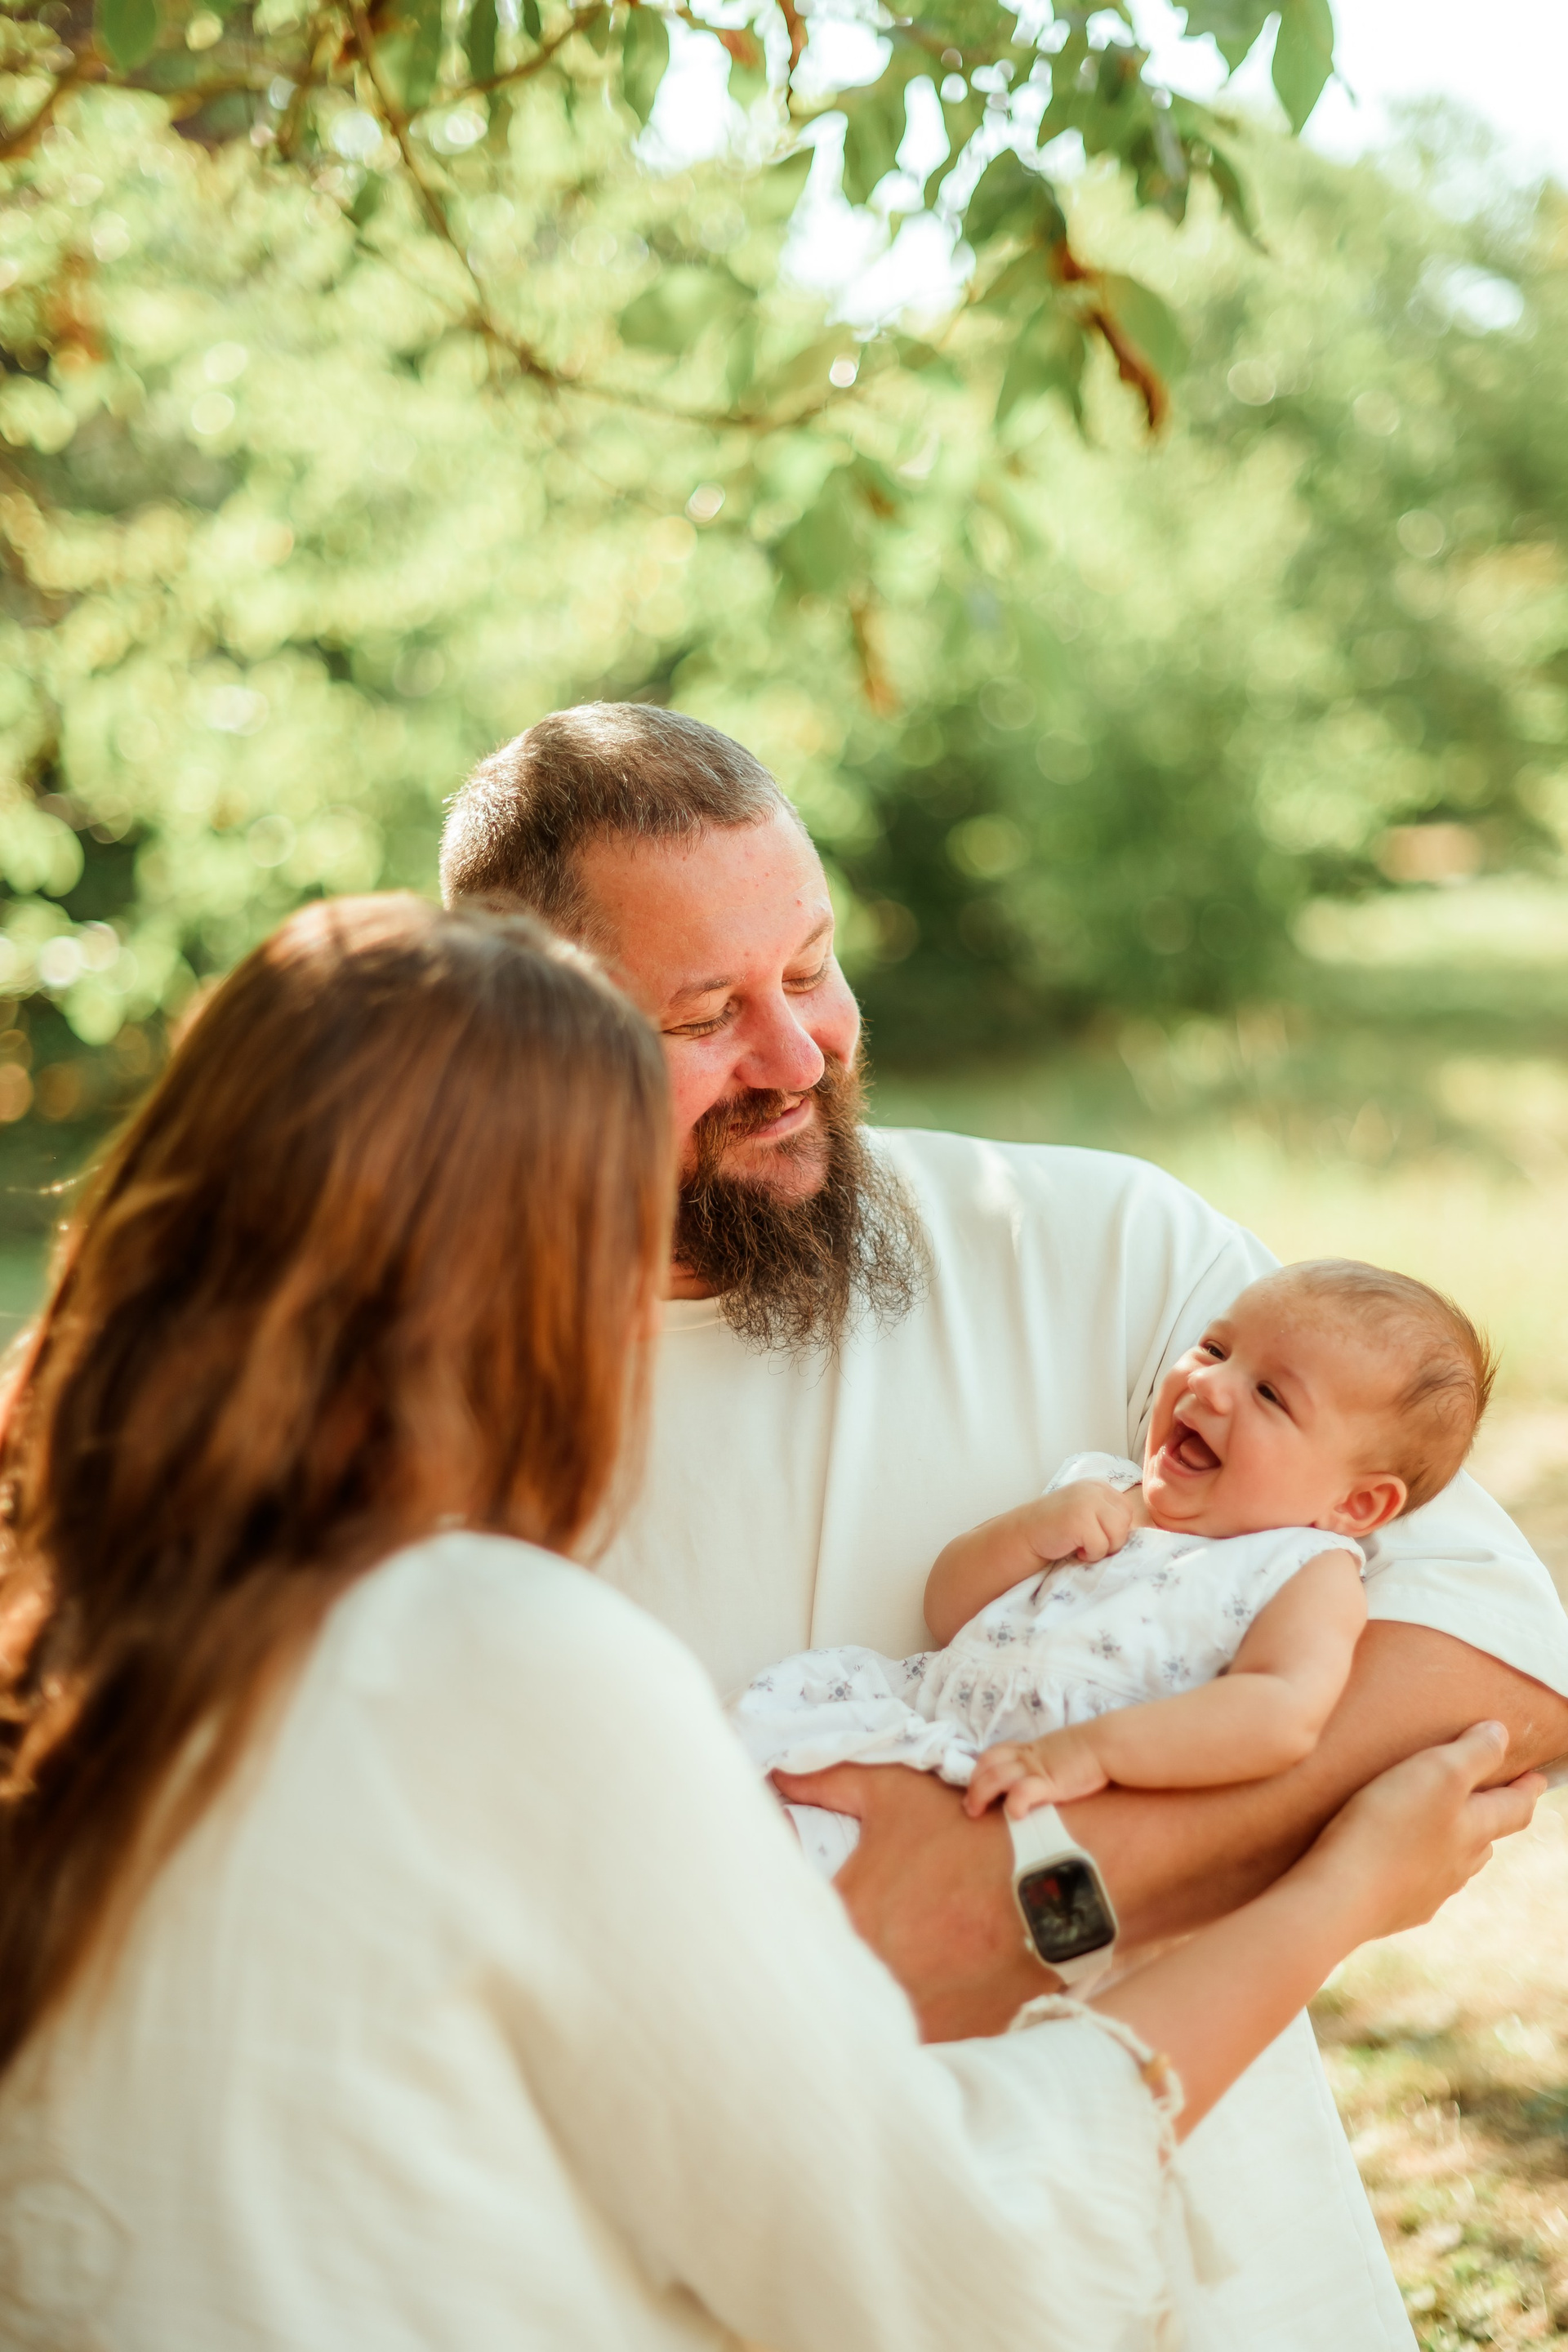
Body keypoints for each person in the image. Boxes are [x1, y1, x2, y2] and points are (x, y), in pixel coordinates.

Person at [0, 894, 1531, 2351]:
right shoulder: (492, 1658)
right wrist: (1337, 1898)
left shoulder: (69, 1618)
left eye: (809, 967)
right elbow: (943, 2256)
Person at [439, 701, 1568, 2352]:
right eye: (705, 1016)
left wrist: (1007, 1900)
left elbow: (1496, 1673)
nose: (799, 1057)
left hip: (1192, 2288)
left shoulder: (1098, 1247)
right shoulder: (408, 1411)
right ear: (513, 1036)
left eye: (811, 969)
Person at [733, 1261, 1493, 1868]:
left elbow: (1281, 1713)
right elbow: (946, 1612)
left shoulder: (1304, 1568)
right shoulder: (1102, 1488)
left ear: (1357, 1504)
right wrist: (1029, 1533)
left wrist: (1091, 1752)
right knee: (729, 1810)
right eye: (1216, 1349)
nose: (1209, 1382)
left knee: (793, 1892)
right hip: (915, 1729)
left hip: (1022, 1806)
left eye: (1269, 1393)